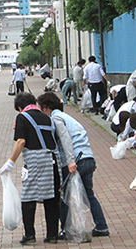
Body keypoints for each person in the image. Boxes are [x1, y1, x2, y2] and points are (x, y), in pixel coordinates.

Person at [37, 92, 110, 238]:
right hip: (87, 157)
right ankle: (101, 226)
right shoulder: (70, 118)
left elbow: (65, 139)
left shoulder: (56, 118)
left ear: (46, 108)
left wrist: (70, 161)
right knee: (89, 195)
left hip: (74, 161)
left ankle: (66, 229)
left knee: (63, 197)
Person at [0, 92, 61, 244]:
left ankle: (30, 235)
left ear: (20, 107)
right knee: (51, 197)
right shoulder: (47, 118)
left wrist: (11, 161)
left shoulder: (23, 117)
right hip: (53, 159)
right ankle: (52, 234)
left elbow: (21, 141)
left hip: (36, 160)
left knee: (28, 197)